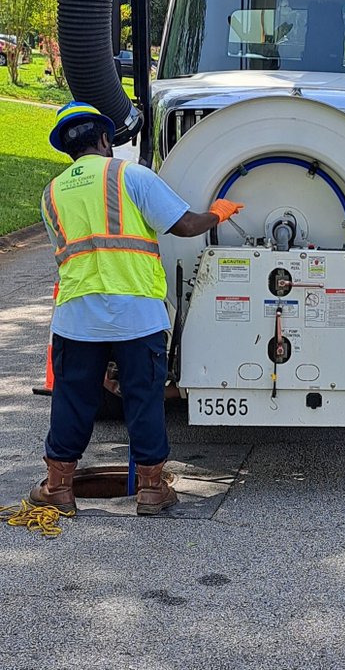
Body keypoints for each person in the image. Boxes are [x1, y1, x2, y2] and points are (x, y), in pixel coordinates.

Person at [31, 102, 244, 517]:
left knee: (73, 399)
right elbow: (182, 225)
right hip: (137, 312)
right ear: (106, 139)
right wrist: (215, 213)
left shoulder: (51, 193)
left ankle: (58, 486)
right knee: (143, 397)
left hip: (78, 314)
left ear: (67, 148)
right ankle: (151, 490)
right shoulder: (131, 176)